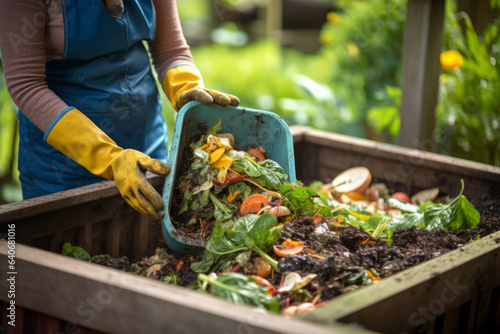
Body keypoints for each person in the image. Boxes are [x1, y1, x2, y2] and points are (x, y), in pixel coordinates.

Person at [0, 0, 239, 221]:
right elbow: (26, 85)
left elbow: (170, 50)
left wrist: (185, 88)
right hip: (63, 166)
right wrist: (109, 158)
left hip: (146, 139)